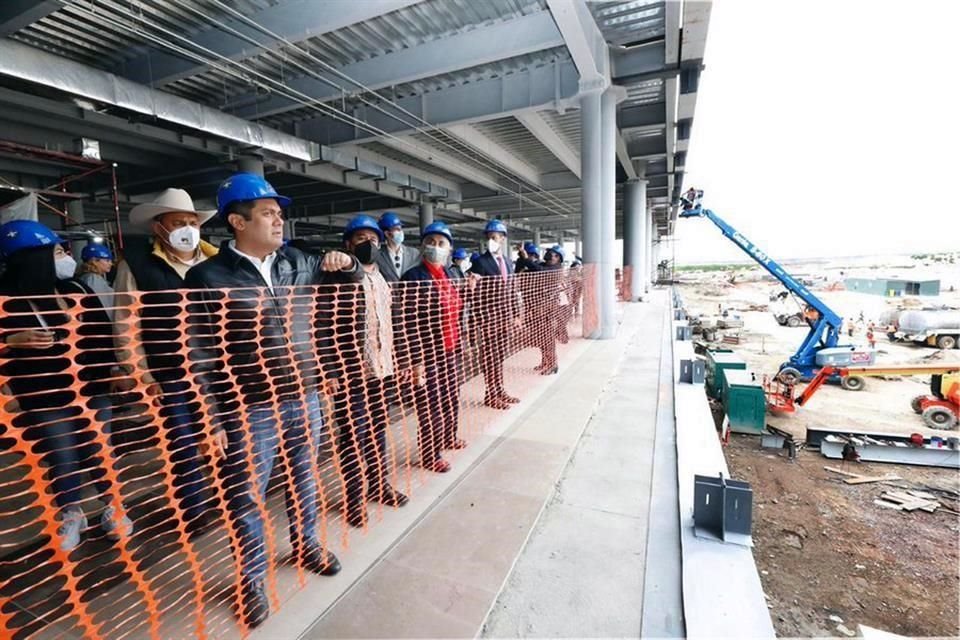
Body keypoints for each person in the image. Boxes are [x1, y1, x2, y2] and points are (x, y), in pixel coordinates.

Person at [184, 172, 351, 628]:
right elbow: (198, 353)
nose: (279, 221)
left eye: (279, 213)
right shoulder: (207, 277)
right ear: (237, 222)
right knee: (246, 496)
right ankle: (251, 578)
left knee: (305, 478)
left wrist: (347, 262)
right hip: (248, 407)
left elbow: (342, 293)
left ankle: (306, 544)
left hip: (306, 397)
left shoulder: (298, 263)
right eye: (268, 214)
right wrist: (210, 416)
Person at [0, 220, 132, 551]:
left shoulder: (76, 290)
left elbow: (101, 334)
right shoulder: (6, 301)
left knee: (99, 448)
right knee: (62, 454)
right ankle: (70, 512)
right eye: (57, 252)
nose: (66, 259)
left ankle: (113, 505)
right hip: (43, 394)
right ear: (31, 258)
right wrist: (9, 342)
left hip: (91, 387)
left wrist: (113, 369)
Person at [113, 188, 219, 536]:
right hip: (168, 373)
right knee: (183, 445)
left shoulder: (216, 261)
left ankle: (229, 498)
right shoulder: (137, 266)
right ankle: (194, 511)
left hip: (218, 372)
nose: (187, 228)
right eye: (178, 222)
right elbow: (126, 325)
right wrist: (142, 375)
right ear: (158, 227)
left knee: (226, 439)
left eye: (192, 222)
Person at [332, 214, 411, 529]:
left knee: (378, 431)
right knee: (353, 436)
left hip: (383, 369)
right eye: (361, 239)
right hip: (352, 372)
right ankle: (354, 498)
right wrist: (331, 369)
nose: (369, 244)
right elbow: (324, 325)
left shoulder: (385, 276)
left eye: (374, 239)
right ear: (348, 244)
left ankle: (379, 484)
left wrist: (402, 359)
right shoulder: (338, 279)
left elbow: (396, 320)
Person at [400, 221, 470, 473]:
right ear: (422, 246)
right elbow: (408, 322)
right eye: (430, 242)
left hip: (450, 350)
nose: (435, 247)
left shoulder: (450, 275)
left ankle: (449, 436)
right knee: (431, 405)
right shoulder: (414, 277)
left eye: (441, 243)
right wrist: (415, 360)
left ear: (449, 248)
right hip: (428, 352)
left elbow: (457, 309)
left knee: (451, 396)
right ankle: (431, 454)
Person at [468, 219, 521, 409]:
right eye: (490, 237)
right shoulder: (480, 262)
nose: (492, 240)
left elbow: (511, 290)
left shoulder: (507, 261)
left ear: (503, 238)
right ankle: (490, 394)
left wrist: (516, 315)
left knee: (500, 356)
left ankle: (500, 390)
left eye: (496, 237)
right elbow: (474, 296)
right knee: (490, 358)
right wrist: (479, 321)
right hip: (489, 319)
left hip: (505, 318)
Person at [374, 211, 419, 282]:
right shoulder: (377, 256)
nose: (401, 232)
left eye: (401, 229)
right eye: (397, 229)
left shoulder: (414, 253)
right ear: (387, 234)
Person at [77, 243, 116, 320]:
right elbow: (102, 305)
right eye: (107, 260)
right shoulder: (93, 279)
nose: (111, 264)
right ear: (94, 261)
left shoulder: (88, 277)